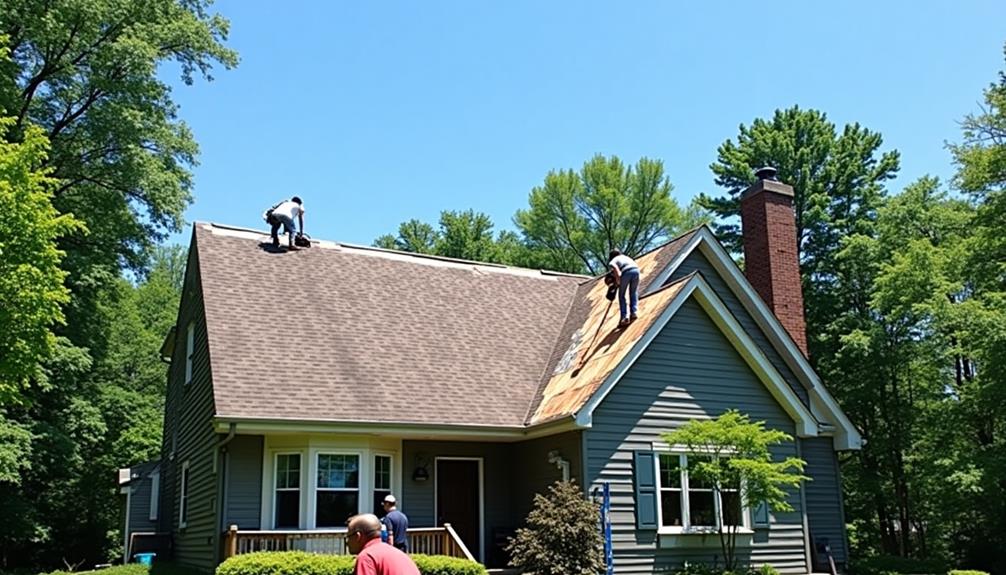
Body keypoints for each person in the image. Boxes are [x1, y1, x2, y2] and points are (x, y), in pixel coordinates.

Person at [345, 513, 420, 575]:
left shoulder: (367, 557)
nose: (347, 542)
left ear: (358, 536)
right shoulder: (400, 555)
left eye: (349, 536)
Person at [608, 249, 640, 326]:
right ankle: (634, 312)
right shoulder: (626, 257)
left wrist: (618, 279)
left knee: (621, 295)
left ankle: (624, 317)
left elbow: (615, 268)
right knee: (633, 292)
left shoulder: (614, 260)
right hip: (636, 271)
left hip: (626, 272)